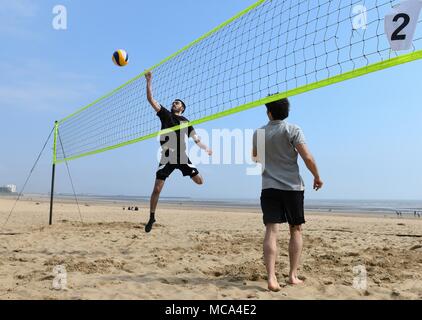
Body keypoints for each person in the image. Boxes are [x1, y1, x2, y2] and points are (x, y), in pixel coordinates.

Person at [252, 97, 323, 292]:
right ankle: (292, 275)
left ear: (269, 112)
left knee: (271, 231)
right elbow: (307, 156)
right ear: (287, 112)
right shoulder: (293, 129)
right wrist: (317, 176)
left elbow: (255, 158)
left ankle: (272, 278)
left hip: (269, 187)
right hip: (292, 187)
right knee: (296, 230)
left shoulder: (259, 133)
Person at [144, 71, 212, 233]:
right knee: (157, 189)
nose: (175, 103)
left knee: (200, 181)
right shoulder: (166, 114)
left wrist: (206, 148)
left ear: (182, 108)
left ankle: (191, 171)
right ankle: (152, 216)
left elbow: (197, 139)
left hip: (182, 157)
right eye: (174, 102)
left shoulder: (186, 122)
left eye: (178, 103)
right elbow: (150, 100)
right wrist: (149, 81)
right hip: (167, 156)